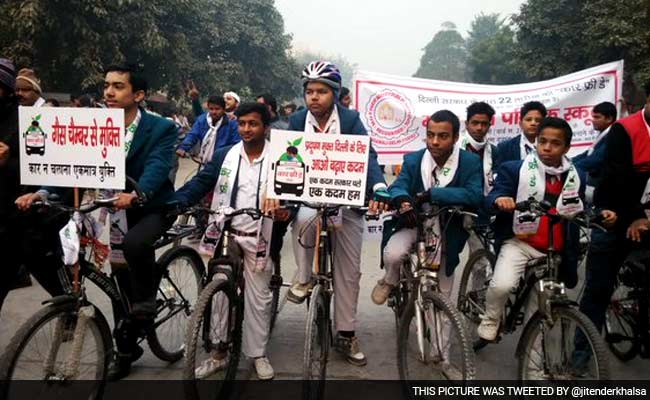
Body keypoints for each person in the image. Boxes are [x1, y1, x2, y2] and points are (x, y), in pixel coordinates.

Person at [16, 64, 178, 380]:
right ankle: (127, 349)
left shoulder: (161, 128)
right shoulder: (94, 124)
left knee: (134, 246)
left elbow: (159, 165)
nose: (108, 92)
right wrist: (42, 192)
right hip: (107, 208)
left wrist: (138, 193)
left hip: (149, 207)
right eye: (106, 85)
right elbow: (73, 167)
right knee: (114, 277)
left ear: (139, 95)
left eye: (118, 86)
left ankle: (147, 299)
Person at [286, 61, 390, 366]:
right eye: (309, 91)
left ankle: (346, 333)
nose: (314, 97)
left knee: (349, 271)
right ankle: (304, 277)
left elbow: (368, 155)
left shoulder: (351, 120)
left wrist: (380, 185)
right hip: (308, 199)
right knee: (303, 221)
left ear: (334, 93)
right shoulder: (295, 121)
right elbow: (284, 158)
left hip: (347, 203)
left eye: (321, 91)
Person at [477, 117, 616, 341]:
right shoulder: (515, 169)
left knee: (540, 315)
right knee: (502, 285)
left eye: (555, 143)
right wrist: (501, 199)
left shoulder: (575, 175)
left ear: (567, 147)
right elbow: (494, 194)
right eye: (542, 141)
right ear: (536, 143)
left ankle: (535, 371)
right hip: (521, 243)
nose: (547, 148)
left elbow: (581, 208)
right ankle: (491, 317)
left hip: (555, 252)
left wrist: (601, 214)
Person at [174, 102, 286, 380]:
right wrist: (179, 200)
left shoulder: (282, 157)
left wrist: (287, 209)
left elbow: (293, 192)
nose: (246, 129)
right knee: (219, 294)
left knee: (259, 299)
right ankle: (218, 354)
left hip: (261, 237)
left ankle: (257, 354)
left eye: (253, 124)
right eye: (242, 124)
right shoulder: (226, 155)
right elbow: (202, 182)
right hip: (227, 234)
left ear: (265, 127)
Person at [373, 110, 482, 310]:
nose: (435, 142)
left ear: (456, 137)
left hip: (447, 229)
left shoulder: (469, 162)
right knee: (393, 255)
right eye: (430, 135)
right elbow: (399, 185)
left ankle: (442, 341)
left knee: (444, 300)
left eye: (442, 136)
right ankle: (389, 280)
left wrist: (434, 194)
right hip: (414, 222)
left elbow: (474, 195)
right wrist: (403, 200)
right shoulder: (414, 160)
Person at [578, 85, 650, 354]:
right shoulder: (625, 129)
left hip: (645, 217)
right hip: (616, 213)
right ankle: (580, 359)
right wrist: (638, 217)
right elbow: (620, 179)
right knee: (598, 291)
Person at [0, 58, 23, 313]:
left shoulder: (24, 121)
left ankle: (69, 310)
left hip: (10, 214)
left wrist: (10, 161)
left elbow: (41, 168)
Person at [175, 95, 240, 165]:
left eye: (217, 109)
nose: (214, 112)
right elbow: (193, 134)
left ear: (223, 109)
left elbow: (236, 144)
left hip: (224, 162)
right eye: (211, 109)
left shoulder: (232, 124)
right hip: (204, 162)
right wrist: (183, 147)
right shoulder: (202, 120)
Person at [572, 101, 616, 204]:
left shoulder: (612, 135)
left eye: (597, 117)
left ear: (609, 118)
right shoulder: (604, 133)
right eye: (593, 117)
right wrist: (568, 162)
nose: (593, 121)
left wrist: (570, 168)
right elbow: (588, 153)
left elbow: (595, 159)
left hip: (604, 187)